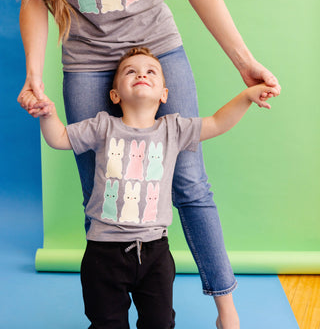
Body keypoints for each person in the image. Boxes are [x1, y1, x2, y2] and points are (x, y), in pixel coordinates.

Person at [9, 0, 281, 328]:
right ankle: (109, 311)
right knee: (101, 189)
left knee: (191, 182)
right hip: (87, 60)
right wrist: (35, 72)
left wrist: (244, 62)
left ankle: (226, 309)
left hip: (156, 47)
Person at [35, 47, 278, 329]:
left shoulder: (172, 129)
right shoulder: (102, 126)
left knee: (160, 323)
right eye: (130, 71)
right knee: (106, 323)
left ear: (163, 93)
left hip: (155, 254)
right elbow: (60, 137)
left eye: (151, 71)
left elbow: (217, 122)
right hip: (103, 253)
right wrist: (47, 113)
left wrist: (247, 96)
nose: (141, 73)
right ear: (115, 95)